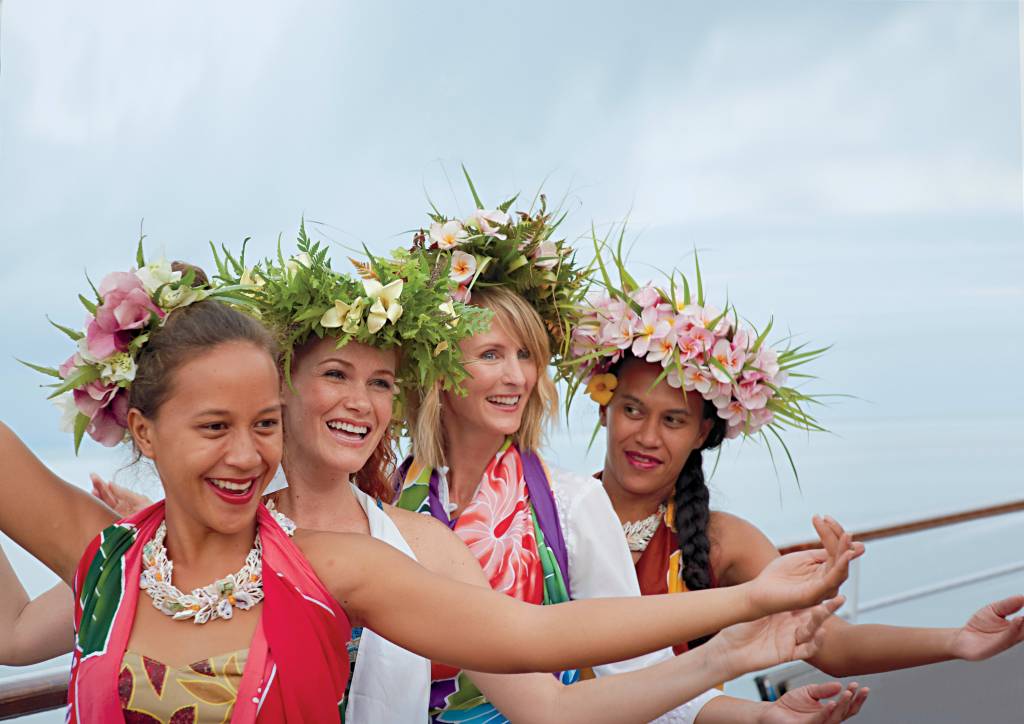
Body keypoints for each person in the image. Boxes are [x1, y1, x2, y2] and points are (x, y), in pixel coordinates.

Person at [1, 243, 860, 723]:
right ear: (146, 433)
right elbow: (12, 633)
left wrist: (737, 628)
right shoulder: (115, 556)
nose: (244, 453)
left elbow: (539, 643)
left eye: (381, 382)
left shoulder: (349, 562)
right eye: (214, 427)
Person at [395, 184, 868, 722]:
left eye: (526, 355)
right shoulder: (387, 495)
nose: (517, 376)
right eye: (490, 354)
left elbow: (640, 674)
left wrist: (758, 717)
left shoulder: (571, 506)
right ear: (439, 369)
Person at [568, 246, 1024, 676]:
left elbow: (828, 642)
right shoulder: (551, 515)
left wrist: (956, 641)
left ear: (701, 433)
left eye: (673, 420)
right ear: (604, 407)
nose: (647, 437)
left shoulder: (724, 540)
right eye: (633, 410)